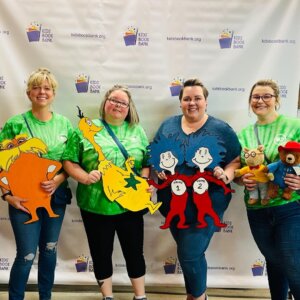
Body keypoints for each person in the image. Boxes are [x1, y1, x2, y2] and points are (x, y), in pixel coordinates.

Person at [150, 78, 241, 300]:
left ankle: (199, 297)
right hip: (173, 204)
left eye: (197, 98)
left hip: (206, 203)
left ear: (206, 102)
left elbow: (235, 161)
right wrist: (158, 169)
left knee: (190, 254)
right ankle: (194, 295)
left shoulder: (221, 129)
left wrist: (226, 175)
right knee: (188, 254)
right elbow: (155, 154)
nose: (192, 103)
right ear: (180, 102)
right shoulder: (168, 125)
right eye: (187, 99)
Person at [62, 85, 150, 300]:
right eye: (113, 100)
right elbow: (69, 161)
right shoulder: (85, 128)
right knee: (101, 254)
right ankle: (107, 296)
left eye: (123, 103)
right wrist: (83, 177)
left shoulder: (136, 130)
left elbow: (147, 161)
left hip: (130, 203)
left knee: (134, 253)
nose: (117, 105)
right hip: (96, 204)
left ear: (129, 108)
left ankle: (140, 296)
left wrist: (145, 181)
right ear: (105, 102)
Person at [0, 68, 73, 300]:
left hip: (55, 198)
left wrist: (58, 179)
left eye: (47, 87)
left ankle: (45, 296)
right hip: (22, 200)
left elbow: (70, 163)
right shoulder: (15, 124)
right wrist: (7, 195)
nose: (42, 91)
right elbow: (2, 164)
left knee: (49, 250)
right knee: (27, 254)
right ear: (29, 92)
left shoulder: (65, 125)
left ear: (54, 93)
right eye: (36, 87)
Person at [237, 79, 300, 300]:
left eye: (266, 96)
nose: (260, 101)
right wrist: (242, 179)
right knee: (273, 260)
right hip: (257, 209)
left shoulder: (295, 126)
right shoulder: (244, 134)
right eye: (256, 97)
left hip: (289, 206)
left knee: (292, 262)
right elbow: (238, 171)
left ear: (277, 100)